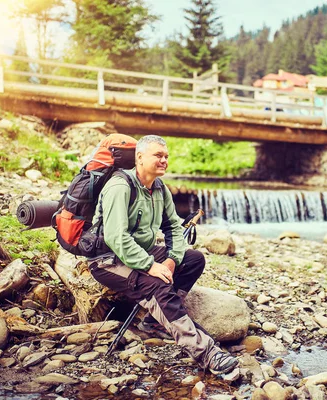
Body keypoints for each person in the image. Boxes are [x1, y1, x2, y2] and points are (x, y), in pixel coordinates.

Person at [88, 135, 238, 375]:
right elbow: (116, 238)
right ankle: (206, 353)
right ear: (139, 157)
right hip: (107, 260)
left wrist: (171, 260)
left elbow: (174, 228)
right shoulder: (120, 187)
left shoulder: (159, 188)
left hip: (140, 252)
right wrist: (150, 266)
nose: (164, 160)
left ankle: (154, 321)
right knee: (158, 283)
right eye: (158, 155)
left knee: (193, 260)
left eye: (166, 156)